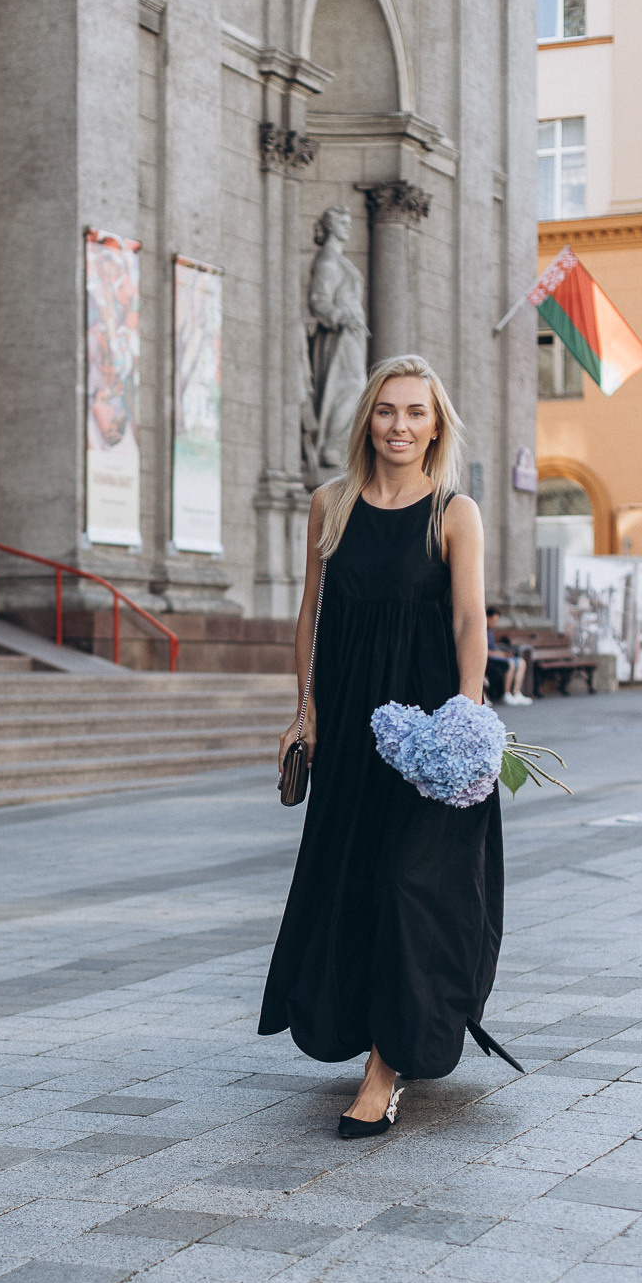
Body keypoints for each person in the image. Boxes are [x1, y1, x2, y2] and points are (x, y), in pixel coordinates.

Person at [260, 354, 513, 1139]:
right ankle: (375, 1036)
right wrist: (305, 710)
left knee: (413, 885)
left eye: (416, 412)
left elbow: (470, 621)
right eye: (386, 411)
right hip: (350, 726)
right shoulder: (329, 505)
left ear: (437, 425)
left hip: (432, 732)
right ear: (366, 419)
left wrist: (467, 720)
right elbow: (311, 615)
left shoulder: (454, 512)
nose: (400, 426)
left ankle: (385, 1069)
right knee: (357, 882)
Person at [486, 606, 531, 706]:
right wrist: (499, 654)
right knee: (510, 663)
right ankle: (506, 694)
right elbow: (484, 651)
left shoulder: (490, 631)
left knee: (521, 662)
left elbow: (493, 648)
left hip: (497, 656)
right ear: (487, 617)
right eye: (493, 620)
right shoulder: (482, 630)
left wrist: (503, 653)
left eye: (496, 621)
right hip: (490, 659)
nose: (495, 623)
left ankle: (516, 692)